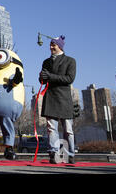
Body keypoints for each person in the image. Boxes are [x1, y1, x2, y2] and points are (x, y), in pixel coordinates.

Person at [39, 35, 77, 164]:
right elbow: (44, 81)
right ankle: (54, 153)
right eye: (50, 45)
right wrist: (42, 77)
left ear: (60, 46)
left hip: (64, 99)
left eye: (53, 45)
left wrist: (50, 76)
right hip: (50, 98)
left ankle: (70, 154)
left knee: (68, 130)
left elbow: (69, 79)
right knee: (51, 129)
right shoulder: (45, 62)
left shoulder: (70, 61)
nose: (50, 47)